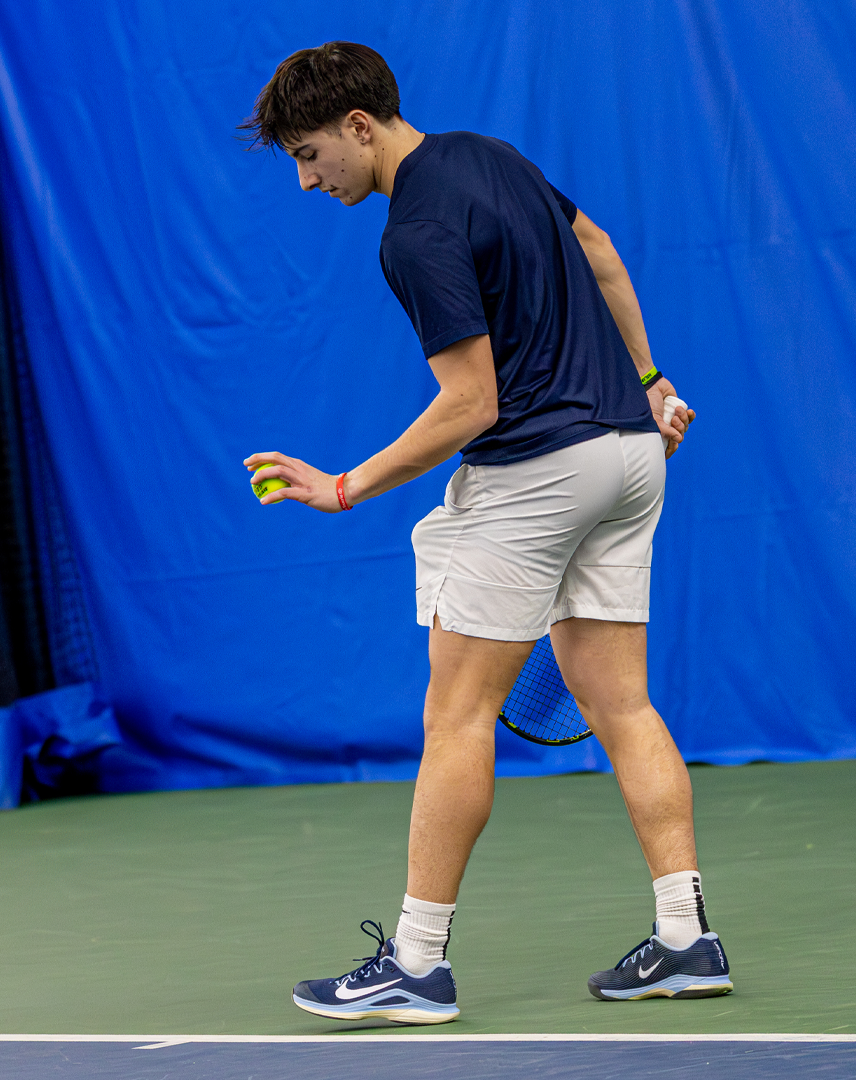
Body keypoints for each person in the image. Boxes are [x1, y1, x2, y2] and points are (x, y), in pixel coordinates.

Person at [235, 41, 730, 1023]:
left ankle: (418, 963)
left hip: (540, 473)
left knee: (455, 718)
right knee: (622, 703)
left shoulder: (412, 231)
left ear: (359, 127)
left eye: (308, 154)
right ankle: (687, 937)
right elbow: (601, 254)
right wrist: (650, 381)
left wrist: (346, 487)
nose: (305, 179)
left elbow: (469, 404)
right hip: (630, 455)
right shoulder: (494, 154)